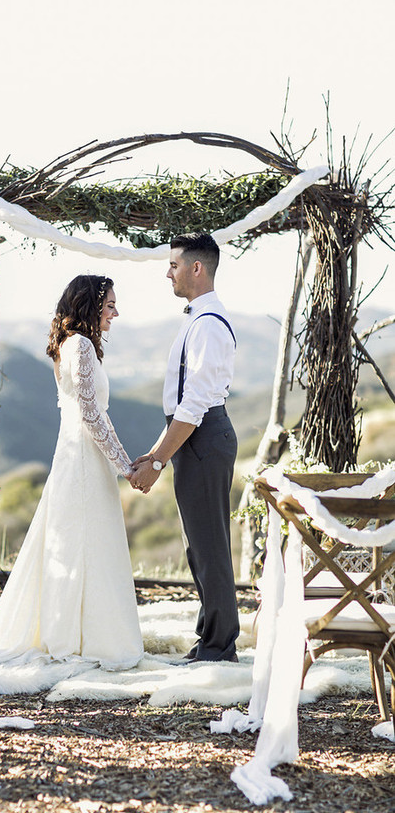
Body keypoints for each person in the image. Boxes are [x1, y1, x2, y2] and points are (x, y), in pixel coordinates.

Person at [0, 274, 143, 670]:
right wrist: (125, 466)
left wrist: (121, 463)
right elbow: (91, 413)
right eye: (109, 305)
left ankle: (79, 632)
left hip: (78, 456)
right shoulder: (80, 345)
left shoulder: (72, 344)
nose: (115, 313)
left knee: (82, 542)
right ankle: (80, 638)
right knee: (83, 543)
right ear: (90, 306)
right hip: (83, 460)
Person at [130, 232, 239, 663]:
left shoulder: (208, 324)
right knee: (200, 545)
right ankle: (210, 639)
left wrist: (158, 460)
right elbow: (184, 404)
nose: (168, 273)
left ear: (197, 268)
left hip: (203, 436)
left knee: (209, 546)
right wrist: (157, 450)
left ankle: (219, 647)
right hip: (195, 436)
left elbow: (193, 405)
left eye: (173, 265)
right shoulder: (198, 318)